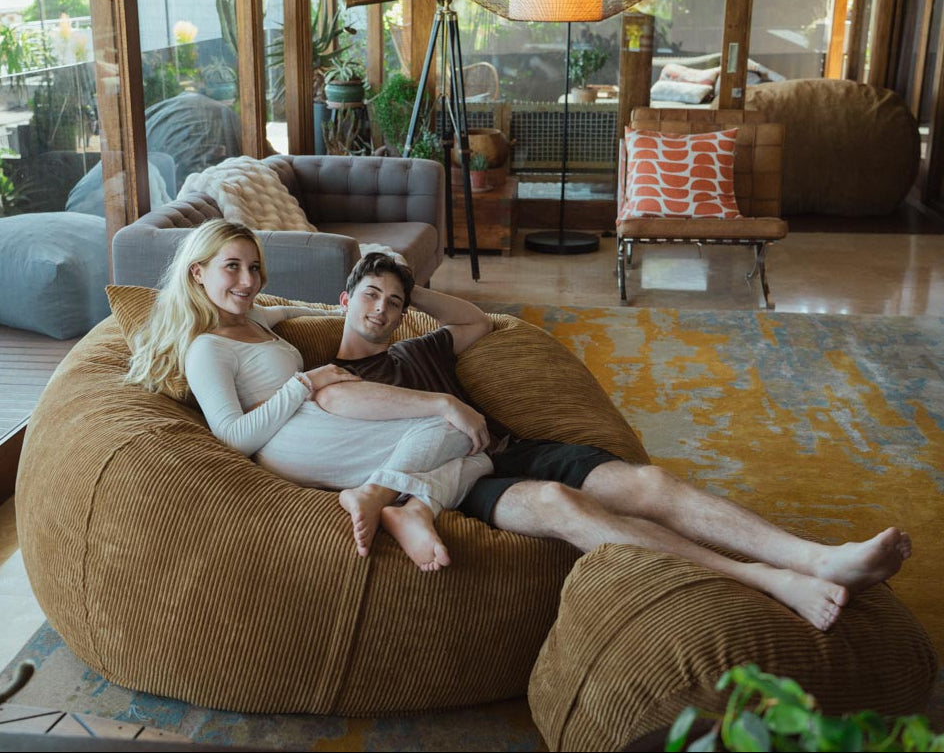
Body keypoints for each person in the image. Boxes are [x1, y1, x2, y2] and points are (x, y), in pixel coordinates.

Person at [318, 252, 913, 632]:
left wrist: (409, 288)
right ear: (343, 302)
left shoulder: (416, 346)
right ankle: (768, 581)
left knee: (647, 482)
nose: (382, 308)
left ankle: (817, 558)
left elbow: (476, 322)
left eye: (392, 303)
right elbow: (335, 404)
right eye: (370, 295)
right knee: (559, 504)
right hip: (453, 485)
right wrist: (443, 402)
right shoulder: (333, 378)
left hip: (508, 448)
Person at [124, 219, 494, 571]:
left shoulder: (250, 317)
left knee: (481, 458)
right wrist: (305, 383)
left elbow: (287, 309)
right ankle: (375, 494)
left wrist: (347, 309)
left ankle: (415, 509)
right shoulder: (206, 349)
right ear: (198, 272)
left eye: (254, 268)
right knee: (455, 429)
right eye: (232, 267)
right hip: (287, 441)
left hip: (308, 421)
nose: (247, 280)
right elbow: (233, 438)